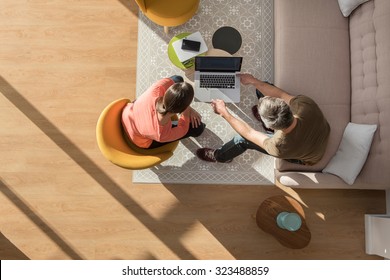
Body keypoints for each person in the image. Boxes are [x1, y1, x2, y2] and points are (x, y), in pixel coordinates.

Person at [196, 73, 330, 165]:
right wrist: (253, 81)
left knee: (241, 140)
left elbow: (248, 133)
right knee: (262, 87)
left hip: (305, 157)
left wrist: (224, 113)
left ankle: (220, 157)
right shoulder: (305, 105)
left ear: (272, 127)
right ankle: (265, 103)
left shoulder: (277, 146)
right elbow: (281, 94)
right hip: (320, 132)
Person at [122, 75, 205, 149]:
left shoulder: (157, 89)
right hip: (140, 140)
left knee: (178, 79)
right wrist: (188, 110)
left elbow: (173, 82)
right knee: (198, 127)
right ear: (181, 110)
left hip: (127, 113)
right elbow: (183, 127)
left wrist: (186, 107)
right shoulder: (161, 134)